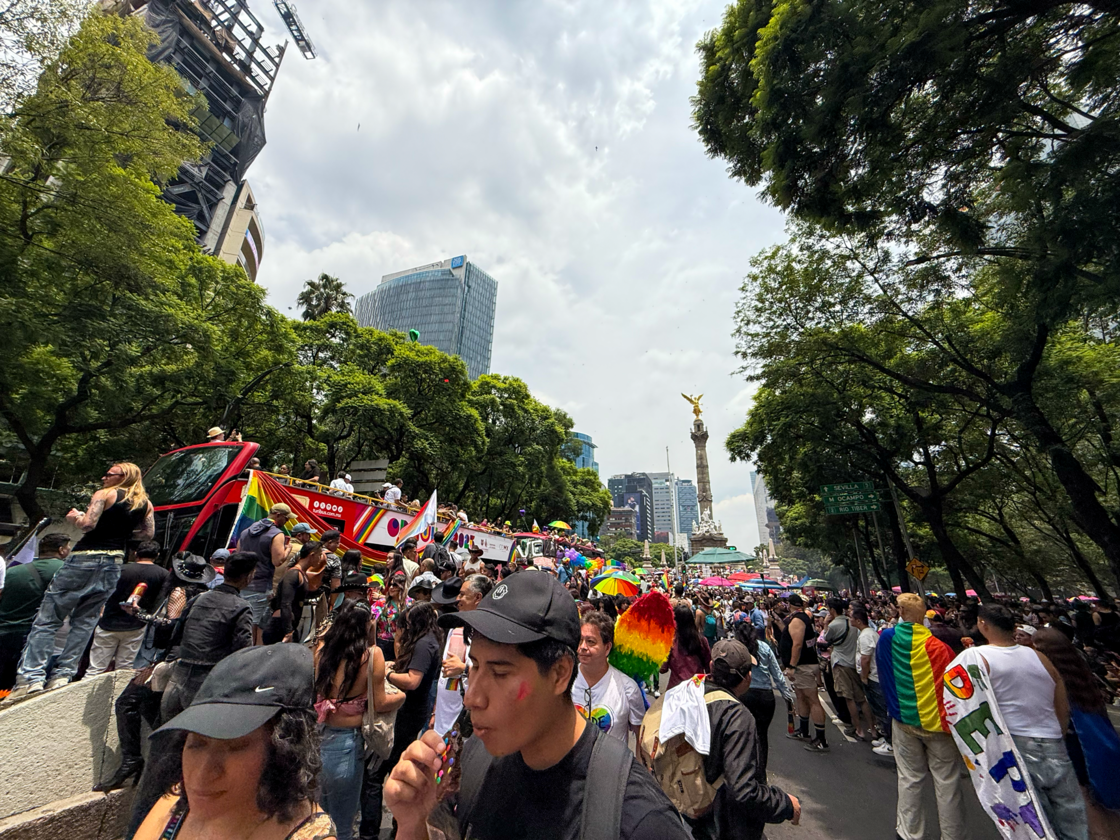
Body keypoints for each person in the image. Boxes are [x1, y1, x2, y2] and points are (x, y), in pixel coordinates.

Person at [384, 571, 691, 840]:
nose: (472, 697)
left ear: (559, 674)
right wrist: (413, 824)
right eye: (474, 666)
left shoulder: (638, 819)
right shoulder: (472, 762)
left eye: (500, 673)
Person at [131, 644, 334, 840]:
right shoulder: (177, 802)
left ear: (285, 754)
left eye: (234, 747)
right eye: (197, 743)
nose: (202, 773)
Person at [9, 463, 154, 701]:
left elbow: (88, 524)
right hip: (113, 563)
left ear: (123, 476)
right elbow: (147, 534)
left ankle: (32, 678)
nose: (103, 477)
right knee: (85, 621)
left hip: (84, 559)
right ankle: (63, 676)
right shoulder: (145, 504)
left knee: (48, 619)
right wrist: (121, 532)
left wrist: (75, 517)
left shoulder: (105, 494)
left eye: (109, 474)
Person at [94, 554, 218, 793]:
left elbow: (170, 624)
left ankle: (134, 759)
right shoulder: (205, 595)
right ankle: (169, 756)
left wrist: (139, 614)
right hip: (188, 658)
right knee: (150, 708)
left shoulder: (180, 592)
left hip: (169, 659)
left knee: (127, 702)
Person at [975, 603, 1090, 840]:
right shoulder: (1039, 657)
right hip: (1053, 742)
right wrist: (1058, 729)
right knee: (1071, 816)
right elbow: (1061, 696)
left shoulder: (978, 657)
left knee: (1035, 820)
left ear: (982, 624)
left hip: (1016, 745)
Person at [680, 639, 800, 840]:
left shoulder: (690, 692)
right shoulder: (737, 716)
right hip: (724, 822)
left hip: (691, 805)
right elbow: (743, 791)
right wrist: (786, 804)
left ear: (711, 666)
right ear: (748, 677)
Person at [876, 592, 967, 840]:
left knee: (909, 779)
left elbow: (883, 674)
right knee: (947, 783)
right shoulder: (941, 648)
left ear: (902, 613)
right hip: (939, 724)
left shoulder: (887, 638)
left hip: (903, 720)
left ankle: (908, 833)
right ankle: (953, 835)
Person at [315, 600, 406, 840]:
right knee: (343, 825)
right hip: (347, 744)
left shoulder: (322, 651)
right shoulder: (371, 656)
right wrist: (401, 697)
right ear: (366, 626)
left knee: (320, 819)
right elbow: (381, 702)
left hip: (319, 738)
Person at [361, 602, 442, 840]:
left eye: (406, 624)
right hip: (413, 714)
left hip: (406, 715)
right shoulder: (429, 641)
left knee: (376, 774)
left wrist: (387, 674)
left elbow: (413, 680)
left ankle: (370, 833)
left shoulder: (424, 644)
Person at [1032, 628, 1120, 838]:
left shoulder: (1057, 684)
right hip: (1103, 756)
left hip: (1079, 760)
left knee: (1092, 821)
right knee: (1110, 818)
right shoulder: (1081, 676)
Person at [159, 551, 255, 723]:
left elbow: (176, 635)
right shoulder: (241, 607)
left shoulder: (197, 599)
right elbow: (242, 651)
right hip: (207, 684)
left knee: (167, 740)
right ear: (249, 577)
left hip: (179, 677)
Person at [87, 540, 169, 677]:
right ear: (157, 555)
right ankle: (115, 697)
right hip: (136, 625)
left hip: (108, 622)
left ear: (136, 553)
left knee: (95, 668)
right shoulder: (164, 574)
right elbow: (159, 601)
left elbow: (102, 594)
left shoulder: (120, 570)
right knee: (124, 669)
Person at [0, 533, 70, 693]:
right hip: (31, 635)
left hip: (4, 631)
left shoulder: (12, 570)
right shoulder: (64, 571)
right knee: (18, 686)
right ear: (61, 550)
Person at [573, 611, 645, 750]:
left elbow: (640, 737)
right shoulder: (564, 681)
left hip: (614, 769)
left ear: (607, 648)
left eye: (590, 642)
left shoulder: (627, 688)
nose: (582, 647)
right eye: (580, 640)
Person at [732, 621, 793, 782]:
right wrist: (787, 697)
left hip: (743, 695)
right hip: (765, 697)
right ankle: (761, 775)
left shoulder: (736, 649)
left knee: (741, 735)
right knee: (761, 736)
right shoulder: (765, 648)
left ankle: (742, 773)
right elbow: (777, 674)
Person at [433, 574, 492, 737]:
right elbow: (444, 677)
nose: (457, 599)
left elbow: (493, 674)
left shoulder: (489, 637)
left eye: (462, 594)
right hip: (441, 722)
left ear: (478, 598)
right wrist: (435, 711)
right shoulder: (455, 629)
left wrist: (464, 669)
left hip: (464, 724)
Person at [778, 592, 828, 752]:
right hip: (803, 665)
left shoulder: (798, 620)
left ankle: (821, 738)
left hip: (803, 665)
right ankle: (804, 729)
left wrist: (792, 666)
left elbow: (797, 644)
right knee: (801, 696)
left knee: (812, 699)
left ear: (790, 604)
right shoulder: (800, 618)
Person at [238, 502, 293, 643]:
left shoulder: (246, 531)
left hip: (242, 584)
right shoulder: (276, 534)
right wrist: (287, 549)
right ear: (278, 515)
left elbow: (238, 554)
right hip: (261, 586)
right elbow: (277, 561)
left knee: (244, 623)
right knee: (257, 628)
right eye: (286, 519)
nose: (286, 523)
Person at [823, 597, 873, 739]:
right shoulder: (851, 623)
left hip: (840, 663)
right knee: (861, 698)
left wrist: (826, 624)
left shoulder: (833, 625)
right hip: (854, 663)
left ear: (832, 610)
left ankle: (858, 729)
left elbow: (826, 639)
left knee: (848, 698)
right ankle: (872, 729)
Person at [264, 541, 319, 645]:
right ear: (312, 555)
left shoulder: (302, 574)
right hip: (279, 627)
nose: (320, 558)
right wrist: (288, 631)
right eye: (319, 555)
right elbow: (285, 603)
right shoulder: (293, 574)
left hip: (289, 626)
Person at [852, 606, 891, 755]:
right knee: (877, 708)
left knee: (881, 709)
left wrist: (864, 675)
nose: (850, 620)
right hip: (874, 675)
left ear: (858, 620)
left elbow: (866, 658)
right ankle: (884, 737)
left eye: (852, 618)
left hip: (873, 677)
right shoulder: (867, 633)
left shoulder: (866, 635)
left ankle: (889, 742)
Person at [663, 601, 711, 689]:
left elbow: (663, 669)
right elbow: (708, 665)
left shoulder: (671, 641)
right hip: (697, 687)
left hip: (676, 689)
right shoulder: (701, 640)